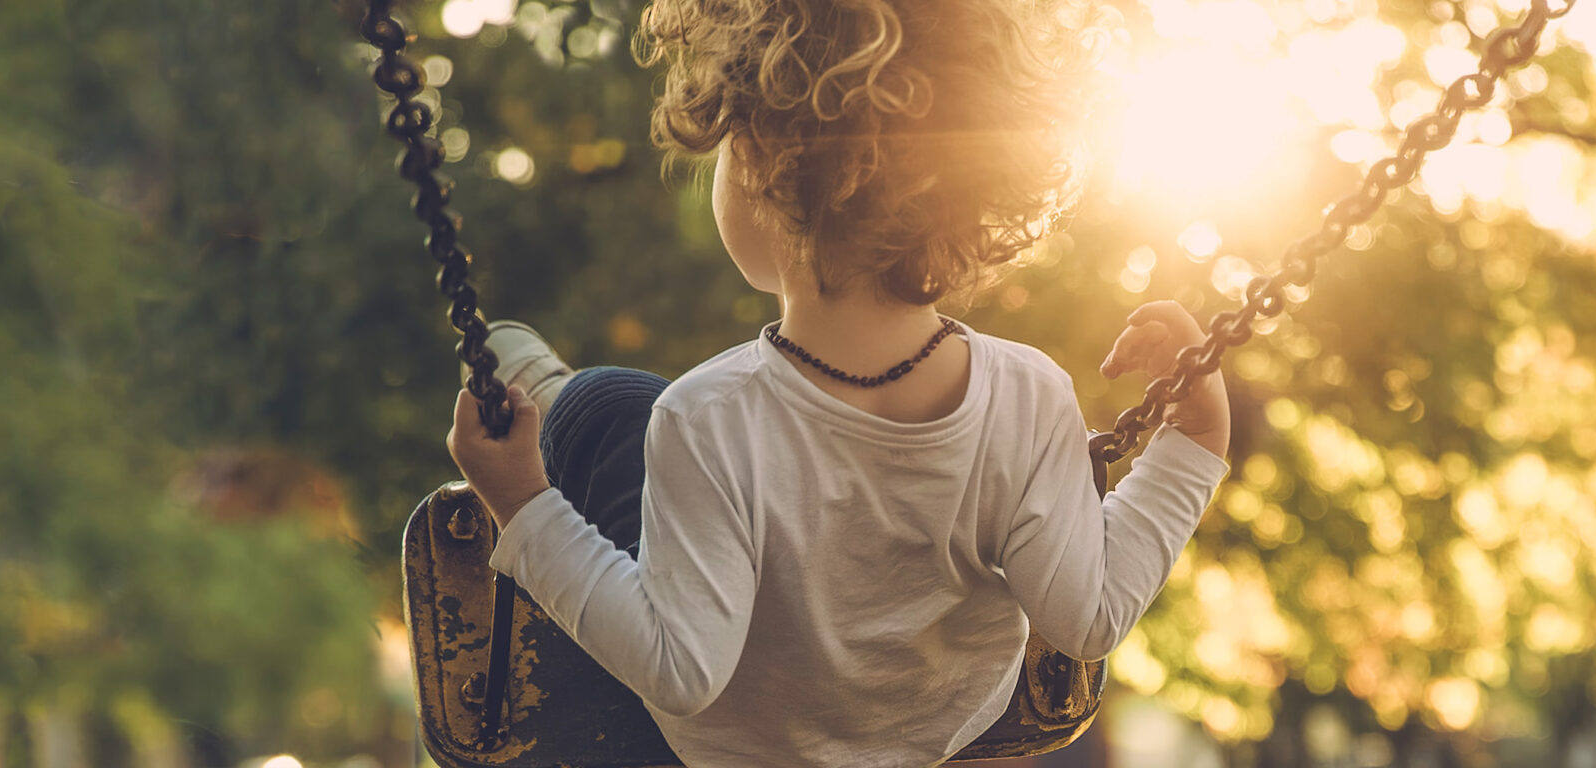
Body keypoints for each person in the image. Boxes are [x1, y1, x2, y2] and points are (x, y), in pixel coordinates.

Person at [443, 0, 1231, 761]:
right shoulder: (1029, 397)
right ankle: (548, 386)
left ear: (760, 165)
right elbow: (1090, 618)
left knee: (609, 406)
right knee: (627, 412)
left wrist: (523, 504)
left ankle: (547, 390)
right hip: (937, 729)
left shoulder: (706, 417)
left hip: (735, 747)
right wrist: (1194, 444)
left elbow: (681, 673)